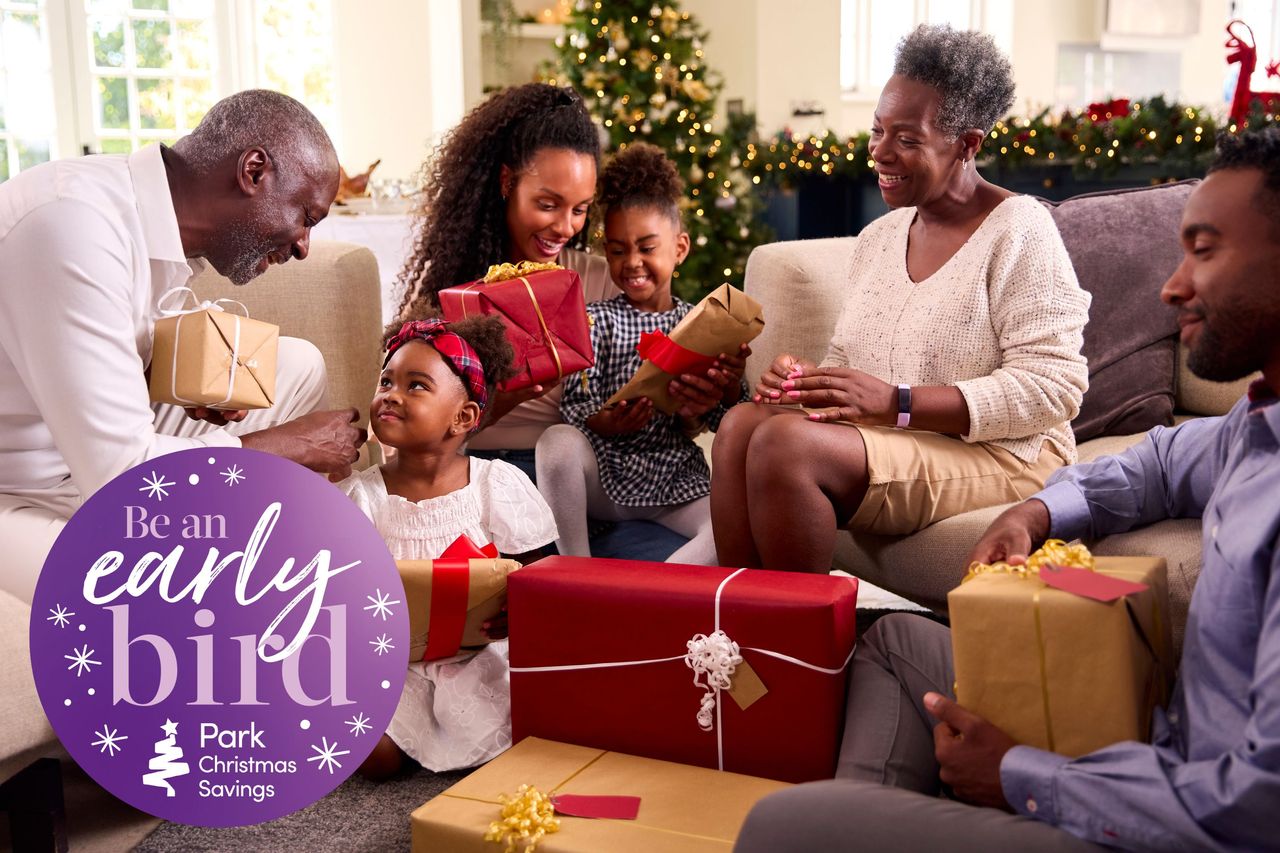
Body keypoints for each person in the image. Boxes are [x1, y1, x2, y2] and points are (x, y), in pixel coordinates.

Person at [734, 127, 1280, 852]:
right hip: (1151, 746)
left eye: (1204, 250)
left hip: (1172, 819)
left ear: (964, 140)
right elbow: (1156, 463)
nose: (1171, 286)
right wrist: (1038, 511)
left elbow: (1256, 807)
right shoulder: (1256, 425)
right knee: (893, 642)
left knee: (777, 823)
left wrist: (1023, 773)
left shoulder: (1017, 229)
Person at [711, 25, 1090, 573]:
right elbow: (852, 366)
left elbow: (1054, 390)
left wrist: (899, 402)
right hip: (900, 434)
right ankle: (738, 634)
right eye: (878, 130)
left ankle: (803, 647)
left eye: (907, 139)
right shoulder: (881, 237)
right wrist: (808, 381)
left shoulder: (1019, 231)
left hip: (1012, 453)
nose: (881, 152)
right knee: (740, 427)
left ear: (967, 144)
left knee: (783, 446)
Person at [0, 89, 366, 603]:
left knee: (295, 365)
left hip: (82, 452)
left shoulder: (156, 222)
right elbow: (115, 476)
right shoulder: (72, 223)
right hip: (20, 490)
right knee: (127, 594)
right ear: (253, 171)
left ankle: (204, 539)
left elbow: (96, 358)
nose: (304, 246)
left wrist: (182, 380)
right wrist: (284, 449)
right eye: (306, 215)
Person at [392, 82, 697, 559]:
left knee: (665, 569)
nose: (565, 228)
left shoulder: (603, 280)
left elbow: (649, 406)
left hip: (587, 484)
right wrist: (501, 401)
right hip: (480, 480)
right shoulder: (457, 291)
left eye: (580, 209)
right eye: (549, 204)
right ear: (507, 182)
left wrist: (689, 402)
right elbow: (409, 430)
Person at [343, 317, 558, 778]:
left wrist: (519, 610)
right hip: (391, 660)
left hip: (478, 657)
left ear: (463, 418)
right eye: (386, 381)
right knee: (372, 758)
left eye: (416, 385)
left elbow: (546, 577)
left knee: (518, 733)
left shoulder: (494, 484)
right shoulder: (362, 495)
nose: (391, 394)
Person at [536, 143, 748, 564]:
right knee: (555, 443)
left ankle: (661, 589)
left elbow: (731, 421)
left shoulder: (700, 325)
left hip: (675, 481)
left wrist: (722, 392)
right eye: (617, 250)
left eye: (647, 248)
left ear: (680, 249)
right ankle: (577, 573)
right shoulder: (595, 319)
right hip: (605, 473)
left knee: (735, 522)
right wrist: (604, 422)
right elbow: (576, 406)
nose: (632, 263)